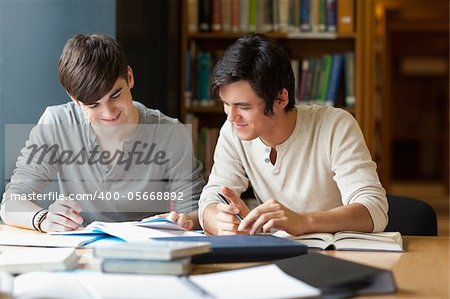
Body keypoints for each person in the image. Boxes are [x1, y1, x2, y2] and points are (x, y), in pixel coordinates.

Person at [0, 33, 204, 232]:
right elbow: (11, 203)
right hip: (79, 251)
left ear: (130, 77)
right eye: (93, 105)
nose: (109, 113)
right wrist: (43, 219)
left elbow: (195, 212)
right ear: (73, 98)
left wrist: (182, 221)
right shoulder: (57, 123)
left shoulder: (170, 133)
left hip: (146, 252)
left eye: (115, 95)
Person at [198, 33, 388, 236]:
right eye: (226, 104)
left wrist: (304, 221)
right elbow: (211, 198)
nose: (231, 117)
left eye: (243, 106)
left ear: (281, 99)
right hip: (275, 254)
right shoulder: (233, 130)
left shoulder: (335, 125)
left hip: (335, 254)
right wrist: (221, 222)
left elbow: (374, 210)